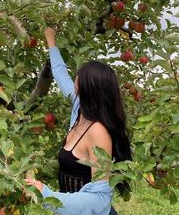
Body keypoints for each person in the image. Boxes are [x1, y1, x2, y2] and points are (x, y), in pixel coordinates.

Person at [25, 27, 132, 215]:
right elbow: (60, 73)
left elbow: (100, 200)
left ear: (87, 87)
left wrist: (47, 194)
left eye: (79, 75)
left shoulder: (98, 132)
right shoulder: (79, 107)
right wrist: (51, 40)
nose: (75, 77)